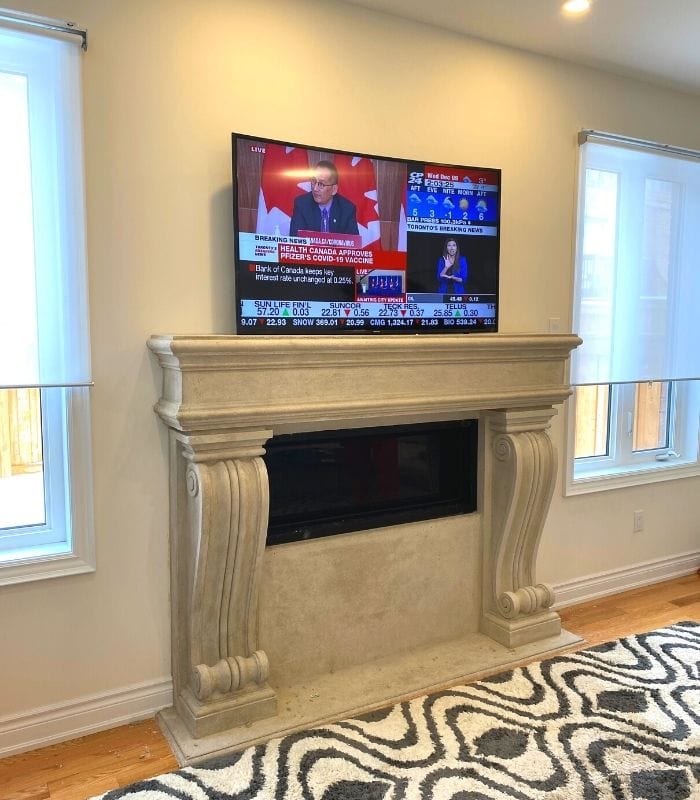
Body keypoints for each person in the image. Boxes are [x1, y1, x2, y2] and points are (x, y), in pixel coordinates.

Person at [289, 160, 359, 236]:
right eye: (314, 181)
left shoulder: (347, 209)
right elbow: (296, 239)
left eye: (321, 184)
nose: (315, 188)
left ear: (334, 189)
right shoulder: (301, 204)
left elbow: (352, 242)